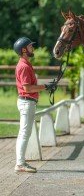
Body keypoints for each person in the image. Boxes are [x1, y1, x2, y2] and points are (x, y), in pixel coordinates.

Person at [13, 37, 56, 173]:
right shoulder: (24, 66)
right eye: (30, 47)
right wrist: (45, 87)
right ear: (24, 50)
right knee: (25, 133)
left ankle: (21, 162)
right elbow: (28, 88)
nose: (33, 48)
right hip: (27, 101)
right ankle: (20, 164)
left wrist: (46, 86)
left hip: (27, 102)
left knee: (24, 132)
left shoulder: (26, 64)